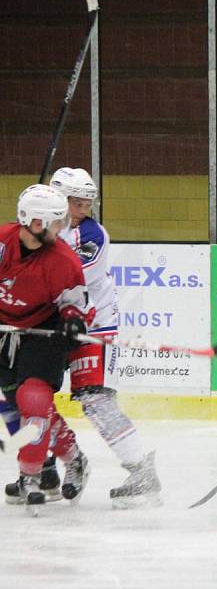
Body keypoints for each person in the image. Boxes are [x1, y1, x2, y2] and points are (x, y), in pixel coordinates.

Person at [49, 167, 162, 508]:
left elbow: (67, 279)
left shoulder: (92, 235)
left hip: (91, 327)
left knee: (95, 400)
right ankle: (45, 469)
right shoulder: (40, 229)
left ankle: (142, 472)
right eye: (76, 202)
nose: (83, 209)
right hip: (47, 325)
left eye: (87, 203)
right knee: (30, 394)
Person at [0, 184, 96, 515]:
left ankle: (31, 475)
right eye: (56, 223)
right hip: (5, 332)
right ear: (36, 223)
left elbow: (75, 303)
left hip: (43, 332)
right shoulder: (1, 243)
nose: (61, 230)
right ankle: (75, 458)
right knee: (20, 407)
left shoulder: (63, 259)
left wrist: (71, 322)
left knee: (35, 400)